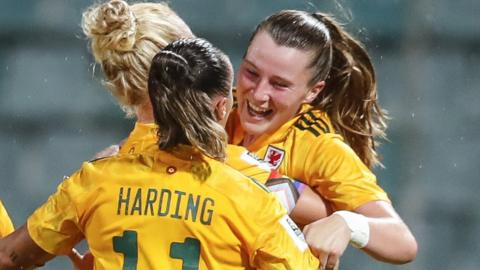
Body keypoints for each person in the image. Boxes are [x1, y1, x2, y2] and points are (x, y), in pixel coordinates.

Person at [0, 37, 320, 269]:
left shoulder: (95, 181)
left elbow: (9, 257)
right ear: (223, 106)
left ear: (153, 100)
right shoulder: (249, 196)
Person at [226, 9, 418, 269]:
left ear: (312, 92)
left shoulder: (318, 145)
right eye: (251, 73)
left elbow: (402, 242)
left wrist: (348, 223)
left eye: (279, 84)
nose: (258, 94)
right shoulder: (216, 106)